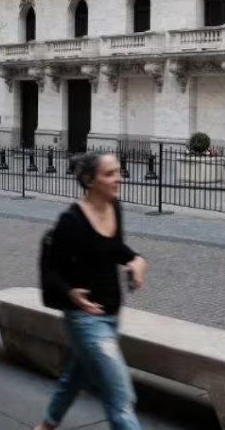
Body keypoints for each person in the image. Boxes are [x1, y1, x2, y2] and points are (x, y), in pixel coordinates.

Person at [34, 152, 148, 430]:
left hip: (112, 314)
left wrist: (136, 261)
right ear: (90, 180)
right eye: (110, 173)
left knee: (77, 374)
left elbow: (115, 250)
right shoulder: (71, 221)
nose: (118, 178)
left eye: (119, 171)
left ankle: (47, 425)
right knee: (120, 399)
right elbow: (51, 271)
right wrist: (71, 293)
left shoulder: (114, 206)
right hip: (84, 319)